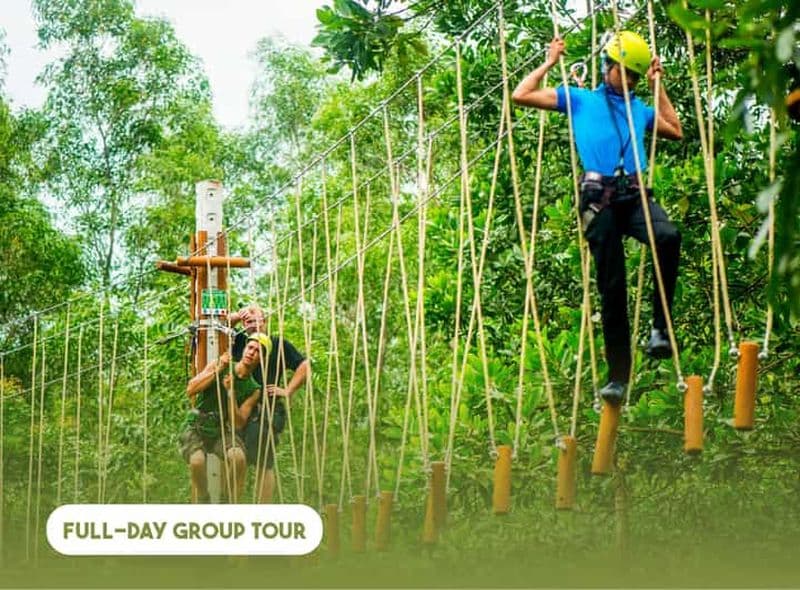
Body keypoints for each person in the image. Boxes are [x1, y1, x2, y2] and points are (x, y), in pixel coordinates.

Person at [512, 31, 683, 404]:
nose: (631, 81)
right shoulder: (579, 100)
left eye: (636, 76)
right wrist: (550, 62)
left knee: (668, 236)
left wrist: (658, 86)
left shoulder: (640, 108)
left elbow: (675, 129)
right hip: (599, 199)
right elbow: (521, 95)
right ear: (608, 67)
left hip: (634, 195)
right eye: (627, 73)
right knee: (613, 287)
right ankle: (618, 377)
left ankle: (660, 329)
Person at [227, 305, 310, 502]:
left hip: (266, 409)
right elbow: (215, 329)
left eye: (256, 318)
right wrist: (239, 315)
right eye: (248, 320)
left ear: (264, 321)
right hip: (236, 409)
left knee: (263, 460)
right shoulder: (239, 341)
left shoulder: (278, 345)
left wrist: (288, 390)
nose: (252, 322)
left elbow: (305, 365)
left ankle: (261, 512)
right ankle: (231, 507)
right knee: (233, 455)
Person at [179, 336, 263, 503]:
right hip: (197, 425)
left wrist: (230, 392)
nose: (252, 353)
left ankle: (227, 502)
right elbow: (191, 389)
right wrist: (218, 369)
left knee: (238, 458)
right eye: (250, 348)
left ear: (262, 359)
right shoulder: (221, 364)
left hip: (221, 429)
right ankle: (204, 498)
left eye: (258, 351)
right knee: (197, 462)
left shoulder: (254, 389)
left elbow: (237, 423)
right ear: (245, 349)